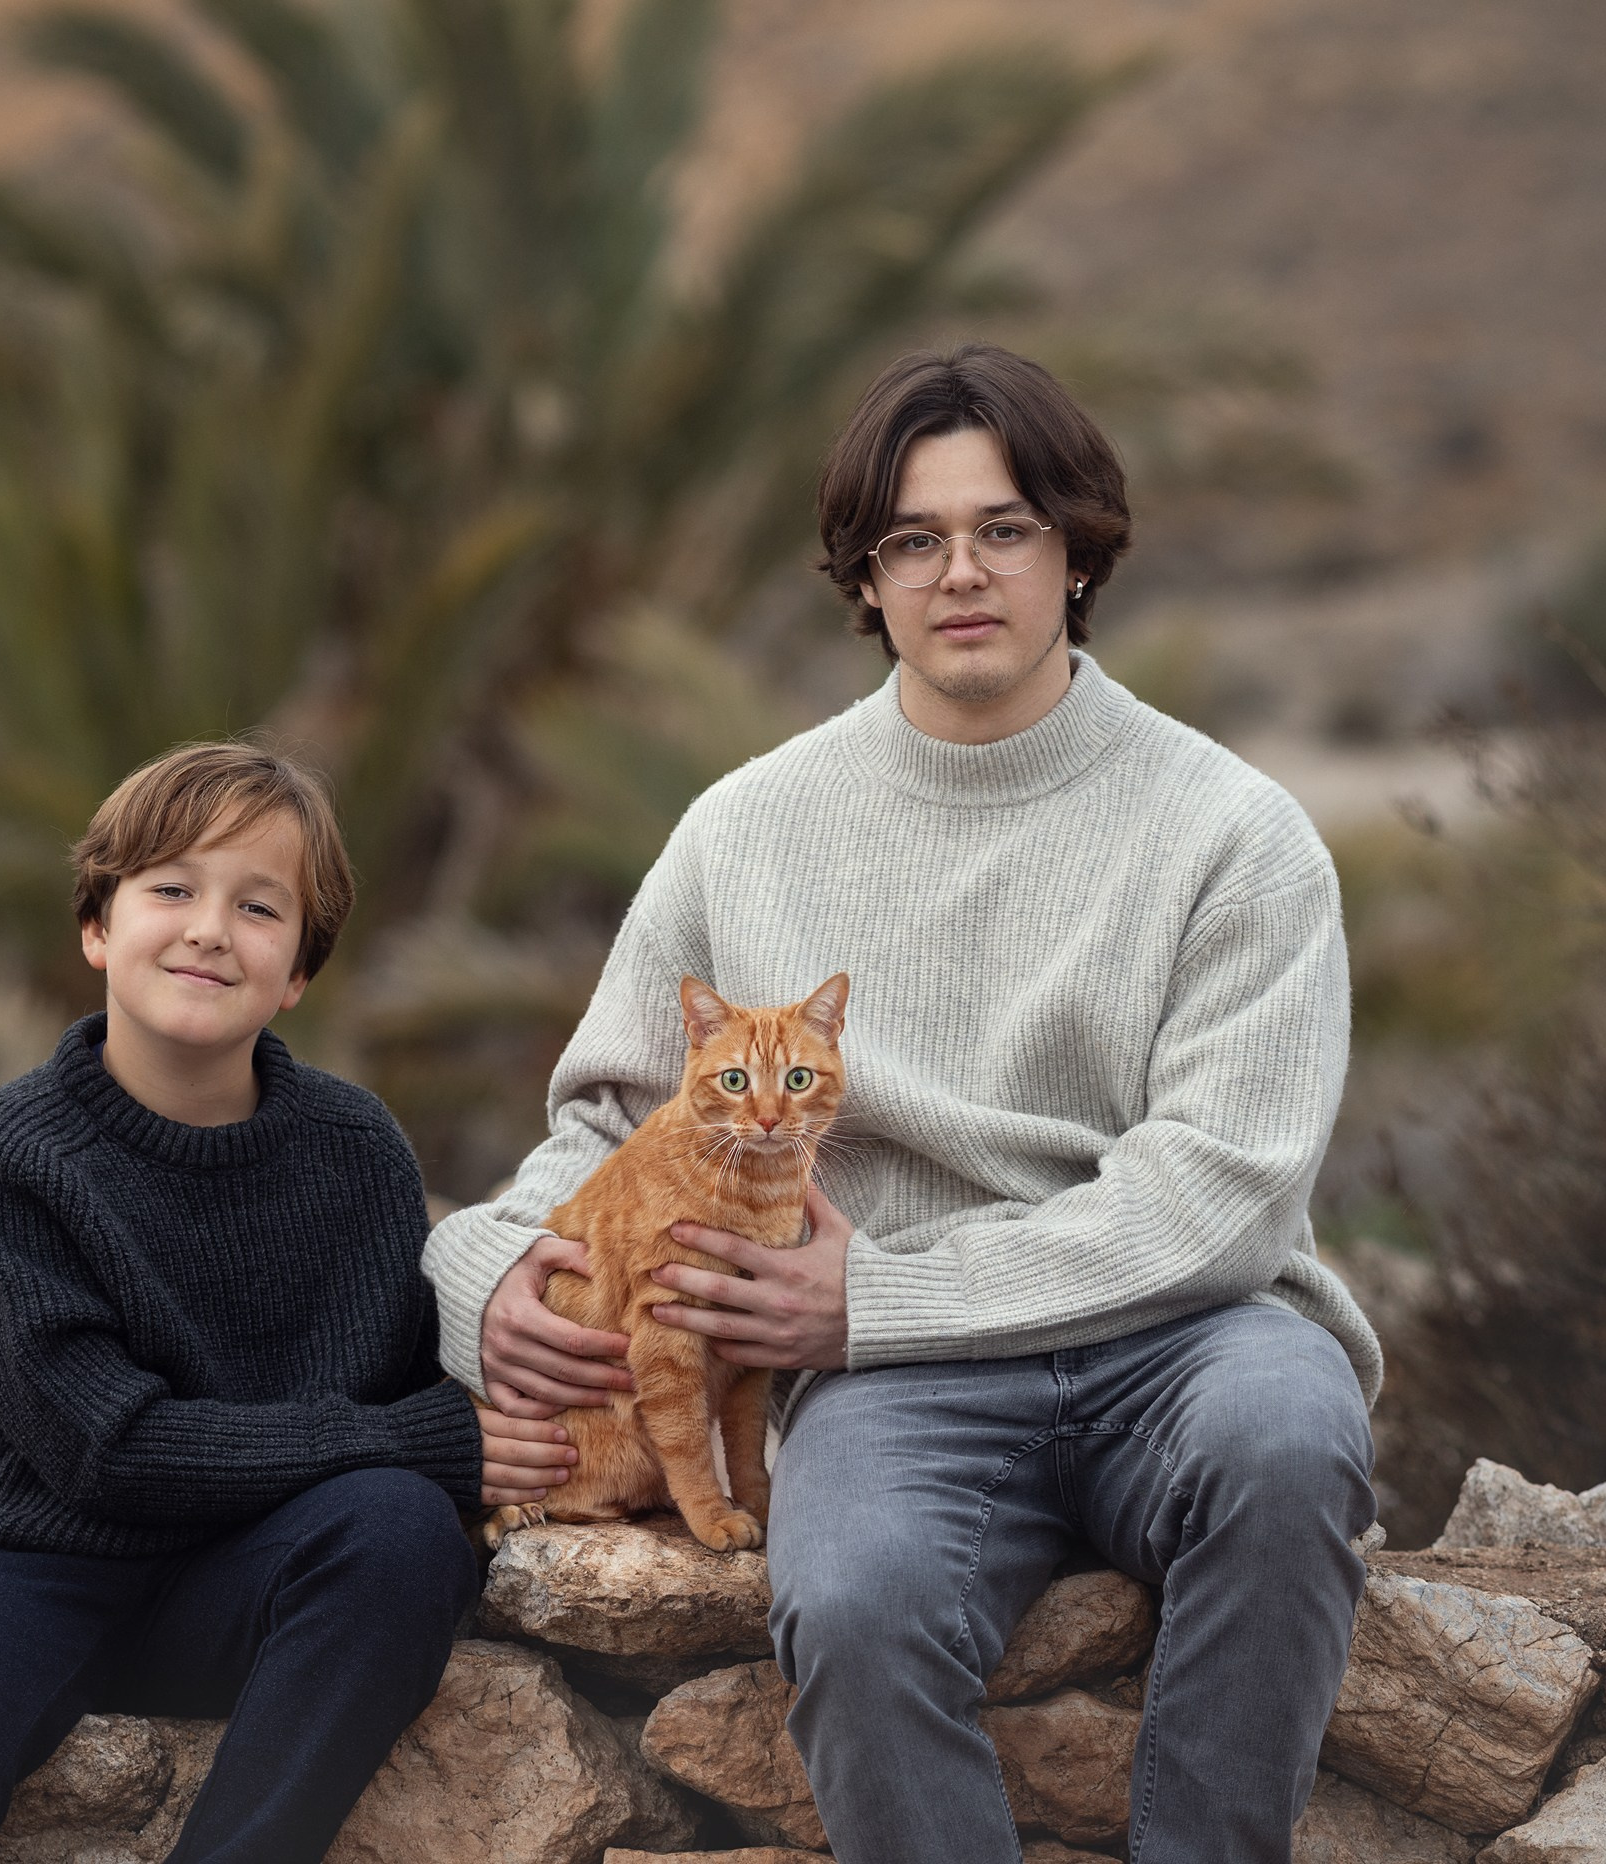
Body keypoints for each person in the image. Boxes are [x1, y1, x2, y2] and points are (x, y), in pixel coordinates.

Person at [424, 343, 1383, 1864]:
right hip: (888, 1389)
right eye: (911, 540)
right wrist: (478, 1278)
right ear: (861, 581)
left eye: (1003, 528)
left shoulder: (1232, 836)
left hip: (1183, 1335)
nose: (960, 572)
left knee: (1287, 1442)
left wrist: (871, 1299)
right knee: (855, 1598)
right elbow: (608, 1131)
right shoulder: (743, 830)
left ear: (1077, 552)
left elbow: (1217, 1197)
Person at [0, 742, 565, 1864]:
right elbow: (107, 1451)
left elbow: (401, 1419)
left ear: (299, 969)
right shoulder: (13, 1148)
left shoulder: (356, 1152)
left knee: (401, 1536)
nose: (209, 928)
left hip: (240, 1574)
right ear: (97, 927)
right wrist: (422, 1435)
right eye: (170, 888)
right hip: (11, 1555)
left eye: (259, 907)